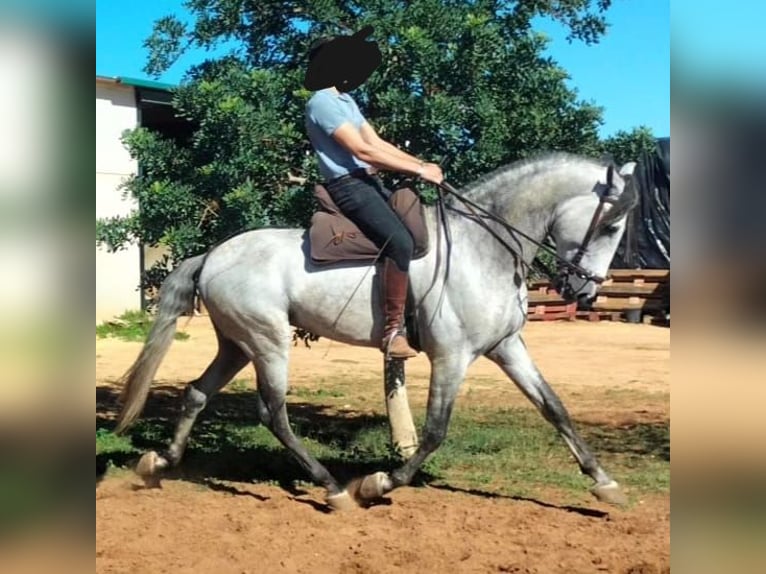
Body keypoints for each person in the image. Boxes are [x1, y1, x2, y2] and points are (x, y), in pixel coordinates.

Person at [304, 27, 444, 359]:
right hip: (348, 186)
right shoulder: (321, 102)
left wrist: (421, 164)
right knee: (400, 242)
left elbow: (376, 143)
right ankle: (392, 332)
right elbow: (362, 152)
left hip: (368, 182)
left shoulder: (345, 100)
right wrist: (419, 170)